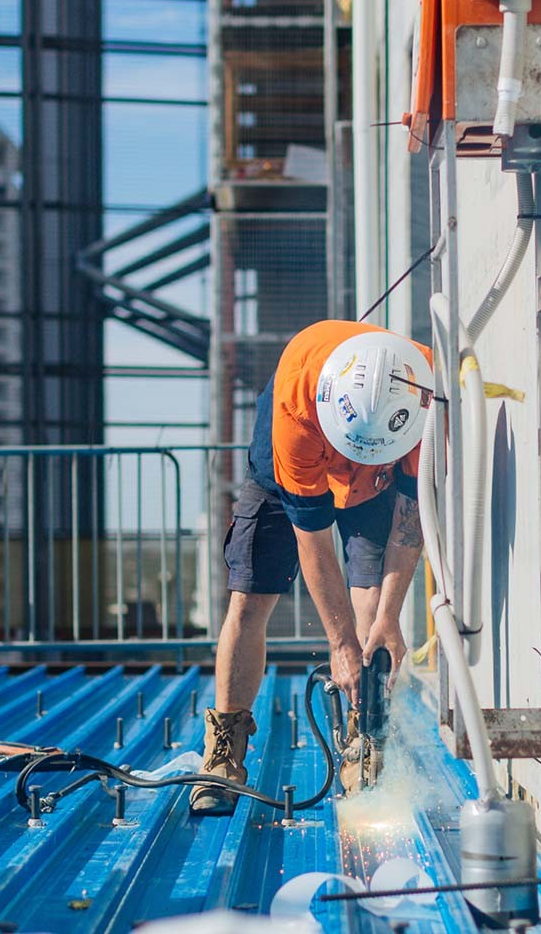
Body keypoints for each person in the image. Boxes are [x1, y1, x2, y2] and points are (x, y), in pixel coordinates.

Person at [190, 319, 433, 815]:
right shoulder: (296, 408)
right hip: (282, 467)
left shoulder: (424, 394)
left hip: (377, 480)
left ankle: (363, 739)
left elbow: (410, 524)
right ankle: (225, 749)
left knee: (370, 606)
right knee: (250, 597)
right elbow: (313, 541)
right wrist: (339, 645)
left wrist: (388, 615)